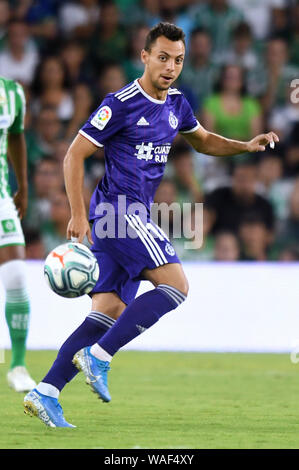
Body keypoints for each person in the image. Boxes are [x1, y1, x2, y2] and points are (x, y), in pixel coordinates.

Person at [23, 22, 279, 428]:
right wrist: (75, 213)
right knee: (176, 286)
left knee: (106, 312)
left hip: (127, 216)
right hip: (119, 212)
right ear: (144, 56)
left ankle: (47, 391)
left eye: (178, 60)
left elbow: (203, 139)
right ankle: (99, 357)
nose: (170, 67)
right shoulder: (121, 102)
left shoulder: (177, 104)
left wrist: (245, 145)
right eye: (162, 57)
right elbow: (74, 154)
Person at [0, 76, 36, 392]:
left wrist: (22, 186)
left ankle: (18, 365)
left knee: (16, 276)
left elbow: (16, 136)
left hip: (0, 196)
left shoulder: (12, 94)